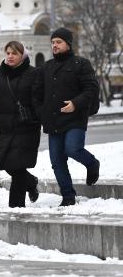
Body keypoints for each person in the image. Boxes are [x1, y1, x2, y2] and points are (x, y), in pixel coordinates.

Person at [32, 28, 100, 207]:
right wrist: (41, 112)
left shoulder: (81, 64)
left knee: (72, 149)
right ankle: (68, 196)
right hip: (53, 120)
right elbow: (36, 94)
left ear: (68, 44)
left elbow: (91, 89)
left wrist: (76, 104)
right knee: (57, 161)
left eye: (59, 42)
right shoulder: (46, 67)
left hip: (75, 118)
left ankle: (92, 164)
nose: (54, 45)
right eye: (53, 42)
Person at [0, 41, 41, 208]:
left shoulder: (34, 74)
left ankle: (16, 208)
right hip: (4, 128)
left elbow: (40, 101)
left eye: (14, 53)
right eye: (8, 53)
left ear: (22, 55)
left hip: (26, 128)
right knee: (5, 164)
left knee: (17, 168)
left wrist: (44, 118)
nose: (10, 56)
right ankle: (31, 182)